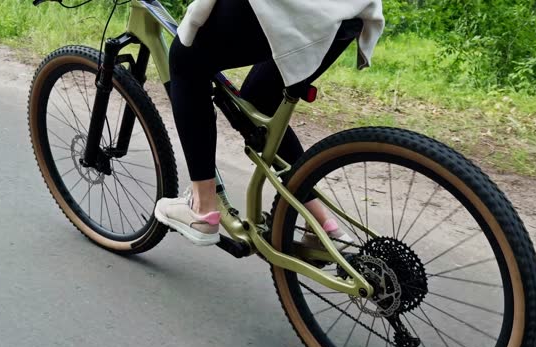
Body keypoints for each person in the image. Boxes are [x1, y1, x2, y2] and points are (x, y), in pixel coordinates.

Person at [154, 0, 384, 246]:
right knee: (259, 101)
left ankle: (202, 206)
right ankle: (321, 223)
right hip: (352, 8)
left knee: (185, 59)